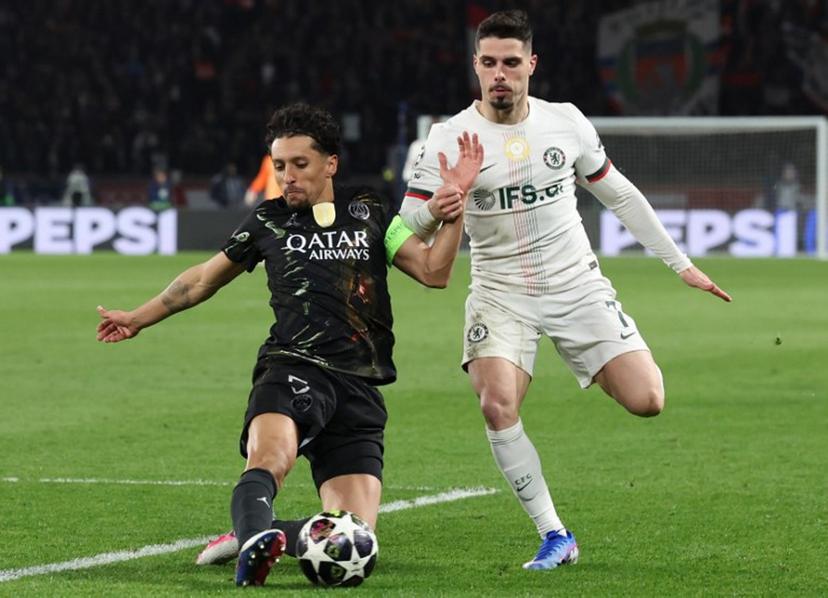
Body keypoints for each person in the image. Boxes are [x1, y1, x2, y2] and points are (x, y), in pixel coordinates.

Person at [398, 10, 732, 571]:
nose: (499, 74)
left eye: (510, 62)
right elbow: (406, 226)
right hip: (500, 291)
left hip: (576, 284)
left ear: (531, 64)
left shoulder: (566, 122)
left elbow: (620, 195)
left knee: (648, 400)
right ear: (475, 66)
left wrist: (681, 265)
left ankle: (594, 360)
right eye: (488, 63)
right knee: (497, 404)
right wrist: (442, 203)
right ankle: (555, 534)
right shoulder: (448, 138)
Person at [96, 103, 482, 587]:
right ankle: (254, 539)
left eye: (300, 164)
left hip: (359, 386)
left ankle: (255, 530)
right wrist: (138, 317)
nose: (287, 177)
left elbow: (433, 271)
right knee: (270, 461)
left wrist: (455, 211)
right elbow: (201, 281)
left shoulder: (371, 213)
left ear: (330, 164)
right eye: (279, 165)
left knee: (355, 538)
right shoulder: (268, 220)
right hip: (292, 366)